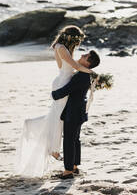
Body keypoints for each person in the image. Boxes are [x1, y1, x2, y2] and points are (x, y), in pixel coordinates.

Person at [16, 25, 94, 178]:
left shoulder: (64, 48)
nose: (78, 44)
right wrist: (92, 72)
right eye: (77, 41)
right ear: (71, 38)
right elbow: (75, 66)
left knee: (60, 117)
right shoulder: (62, 48)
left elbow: (75, 66)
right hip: (62, 82)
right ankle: (54, 149)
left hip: (66, 80)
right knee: (58, 116)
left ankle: (61, 155)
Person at [52, 50, 100, 179]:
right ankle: (74, 166)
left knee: (69, 140)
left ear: (88, 63)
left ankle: (68, 171)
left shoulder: (82, 76)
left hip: (74, 111)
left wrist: (54, 94)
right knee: (74, 139)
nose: (82, 55)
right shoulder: (84, 74)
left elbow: (68, 89)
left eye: (86, 56)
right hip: (78, 110)